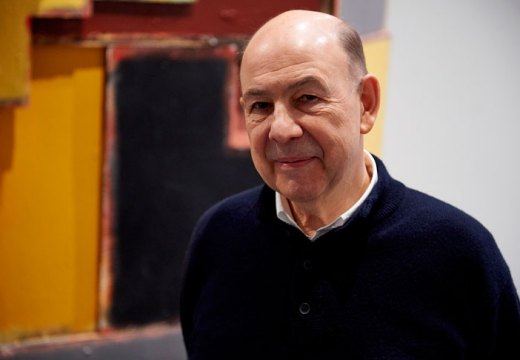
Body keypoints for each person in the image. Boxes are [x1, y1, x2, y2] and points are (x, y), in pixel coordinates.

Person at [180, 9, 520, 359]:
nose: (281, 129)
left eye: (307, 98)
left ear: (366, 103)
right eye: (261, 105)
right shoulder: (218, 236)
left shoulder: (458, 252)